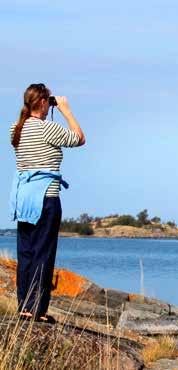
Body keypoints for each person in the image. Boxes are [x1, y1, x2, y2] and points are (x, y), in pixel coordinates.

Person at [9, 83, 85, 323]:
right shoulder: (47, 129)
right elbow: (79, 138)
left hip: (23, 197)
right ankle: (36, 309)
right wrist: (66, 110)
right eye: (49, 100)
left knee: (26, 253)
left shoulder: (16, 129)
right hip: (46, 197)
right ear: (43, 103)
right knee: (44, 253)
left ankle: (24, 306)